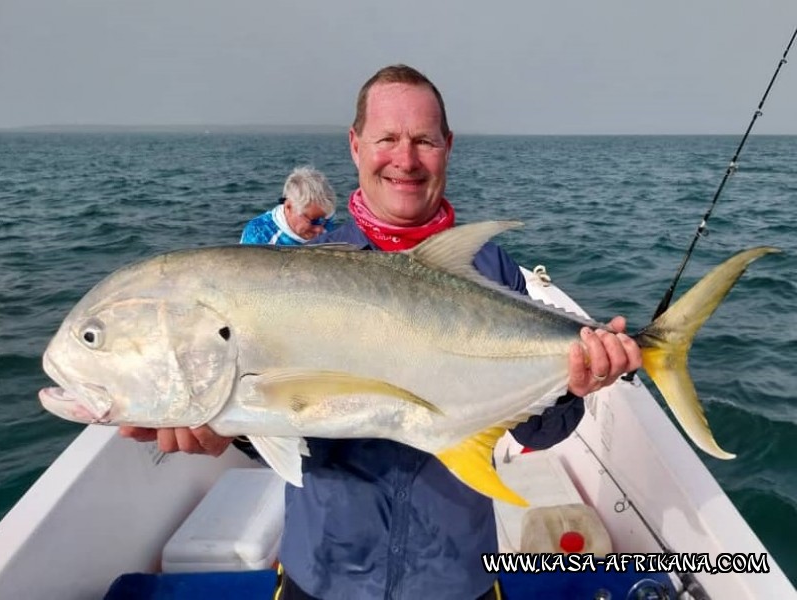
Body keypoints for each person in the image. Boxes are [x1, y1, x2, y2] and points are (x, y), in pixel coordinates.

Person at [120, 65, 642, 600]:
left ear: (448, 146)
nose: (406, 159)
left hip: (455, 577)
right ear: (355, 145)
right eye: (387, 138)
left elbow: (537, 435)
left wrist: (577, 381)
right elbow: (290, 426)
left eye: (424, 140)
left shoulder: (491, 270)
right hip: (324, 574)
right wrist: (228, 430)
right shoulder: (302, 277)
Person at [240, 166, 336, 245]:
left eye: (325, 219)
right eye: (314, 221)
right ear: (289, 207)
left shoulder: (322, 215)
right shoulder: (259, 236)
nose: (322, 229)